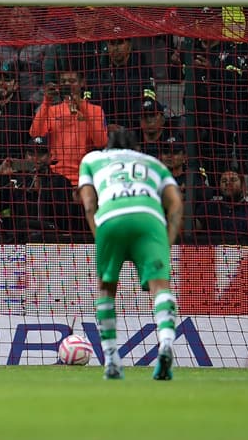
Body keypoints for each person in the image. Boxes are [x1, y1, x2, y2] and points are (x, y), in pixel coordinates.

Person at [77, 128, 183, 381]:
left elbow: (90, 203)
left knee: (106, 289)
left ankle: (112, 359)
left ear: (108, 147)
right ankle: (166, 343)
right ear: (136, 148)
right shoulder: (153, 163)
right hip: (149, 218)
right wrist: (166, 242)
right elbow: (176, 203)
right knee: (161, 287)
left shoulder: (92, 159)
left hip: (111, 216)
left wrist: (99, 234)